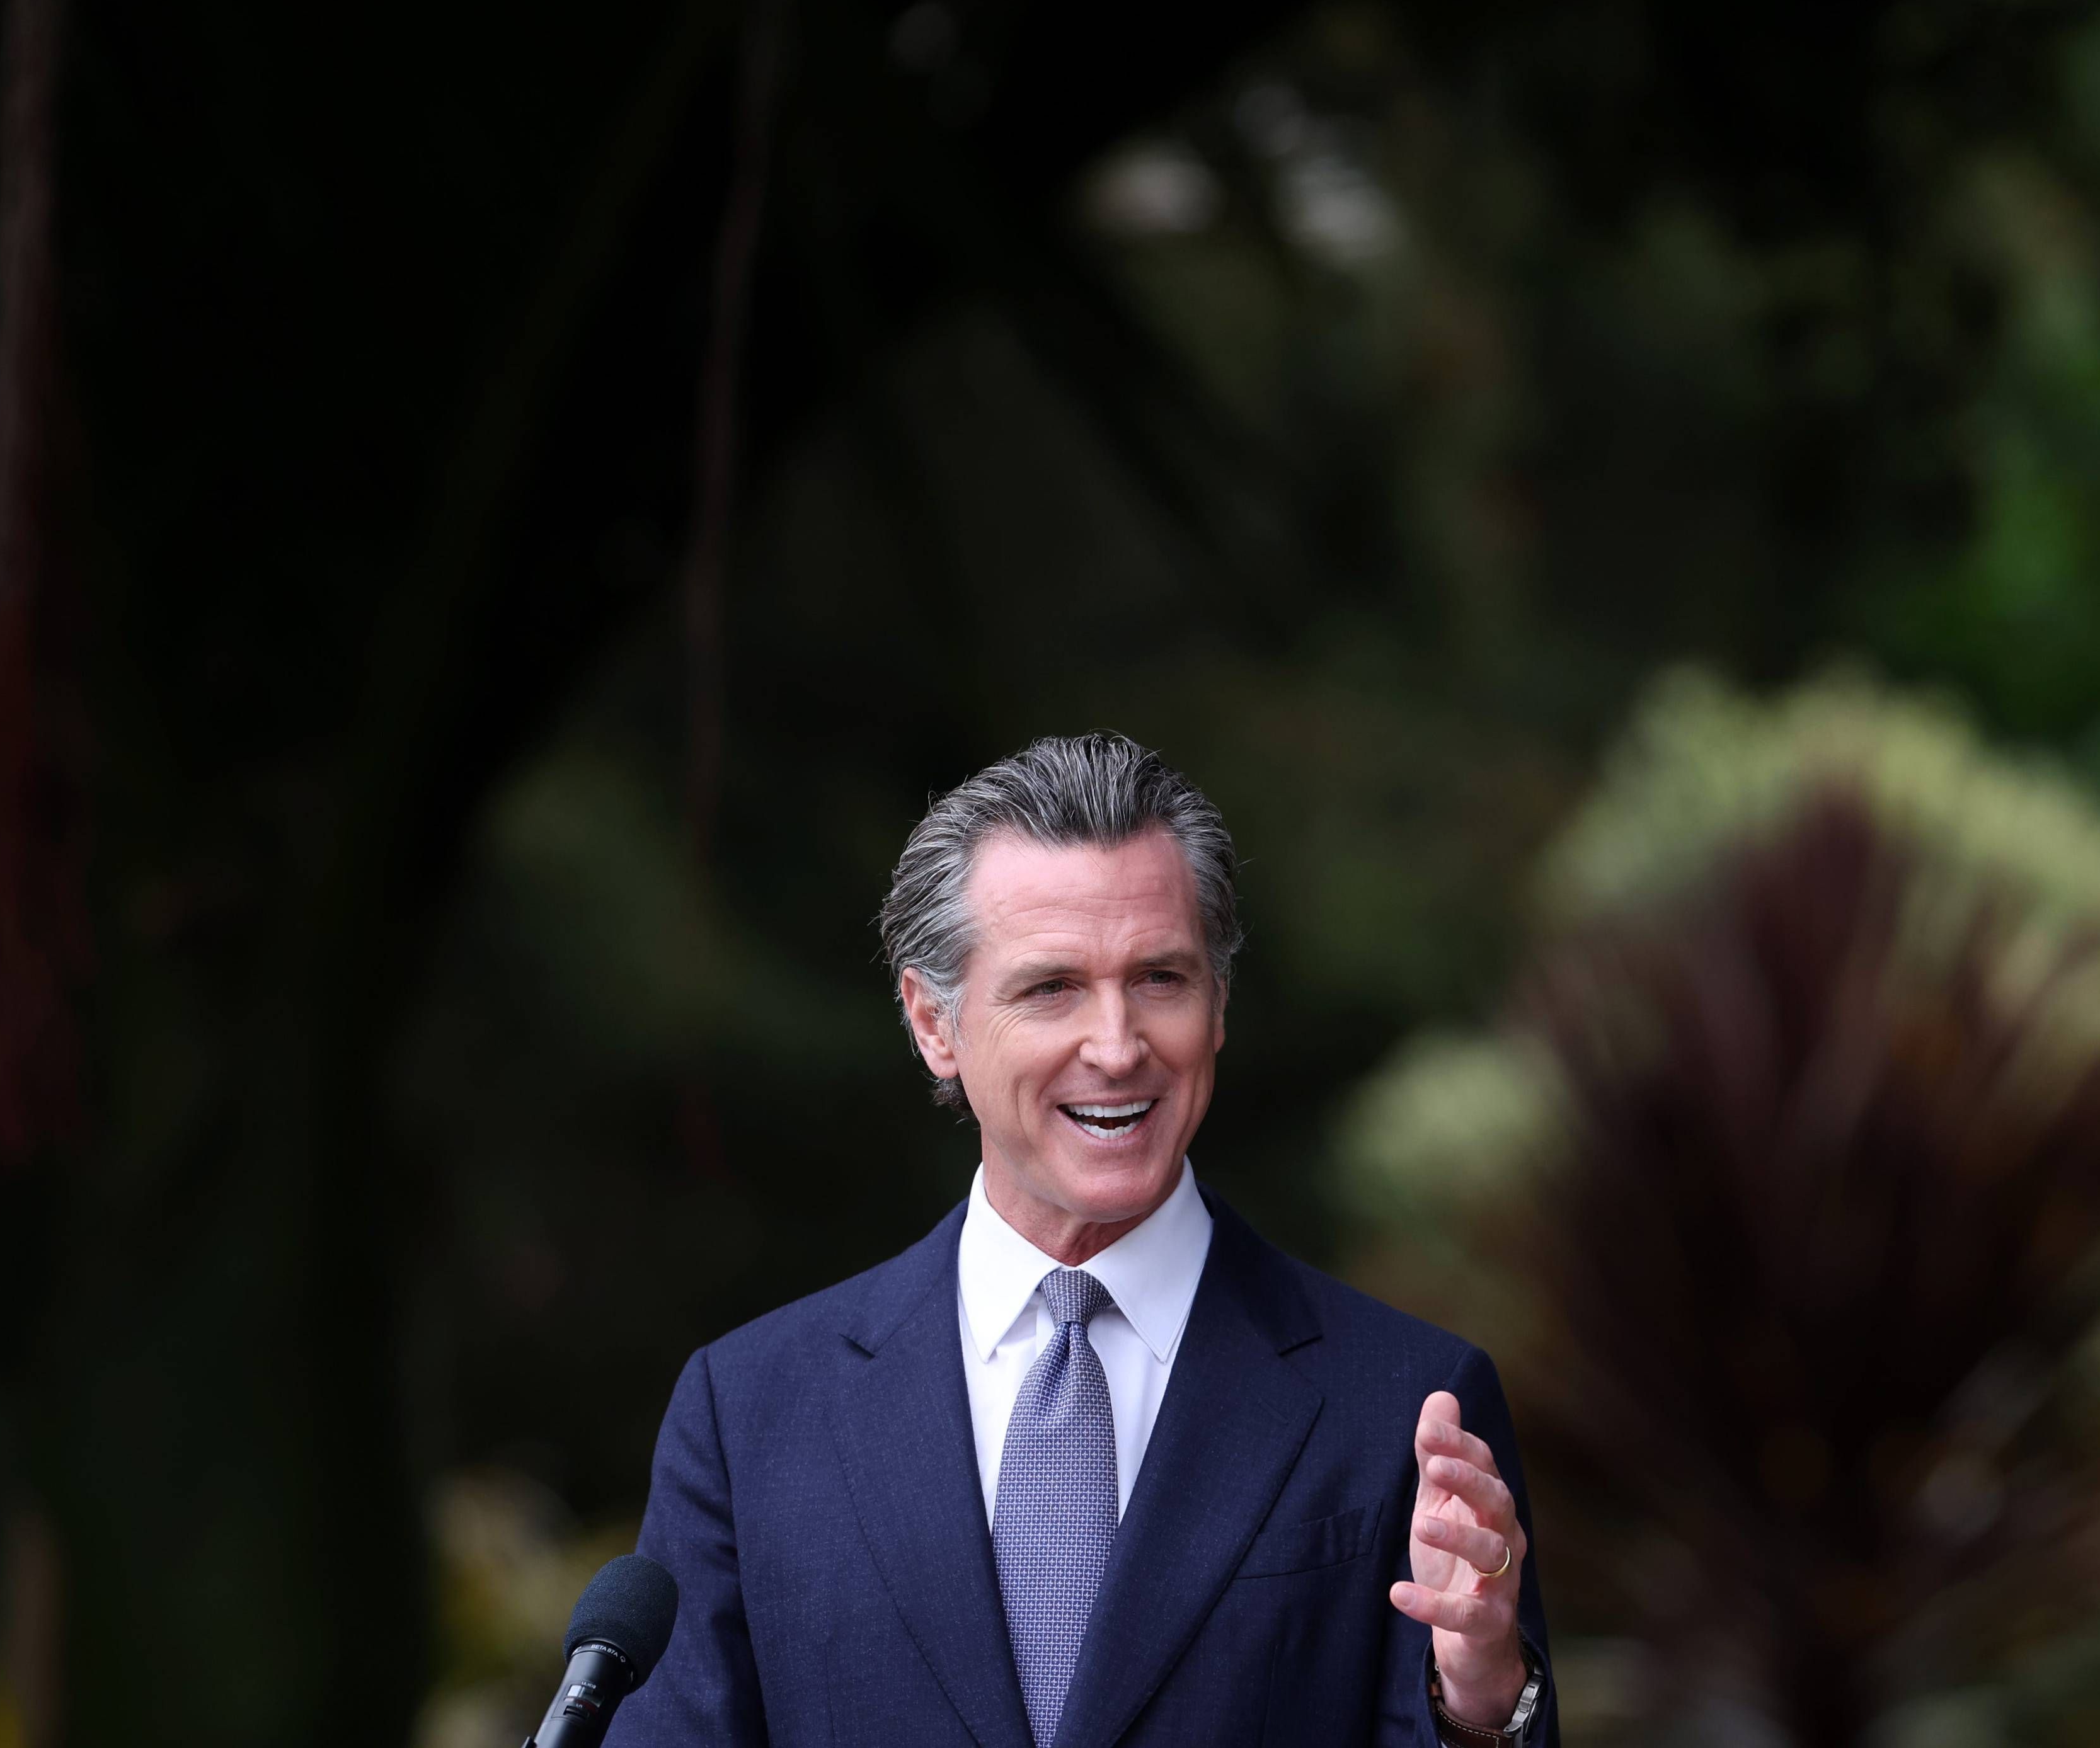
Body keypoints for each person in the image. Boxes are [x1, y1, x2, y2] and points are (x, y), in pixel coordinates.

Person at [607, 733, 1557, 1748]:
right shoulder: (750, 1413)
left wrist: (1481, 1701)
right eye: (1052, 986)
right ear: (934, 1023)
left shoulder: (1408, 1402)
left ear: (1219, 1002)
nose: (1116, 1045)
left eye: (1160, 977)